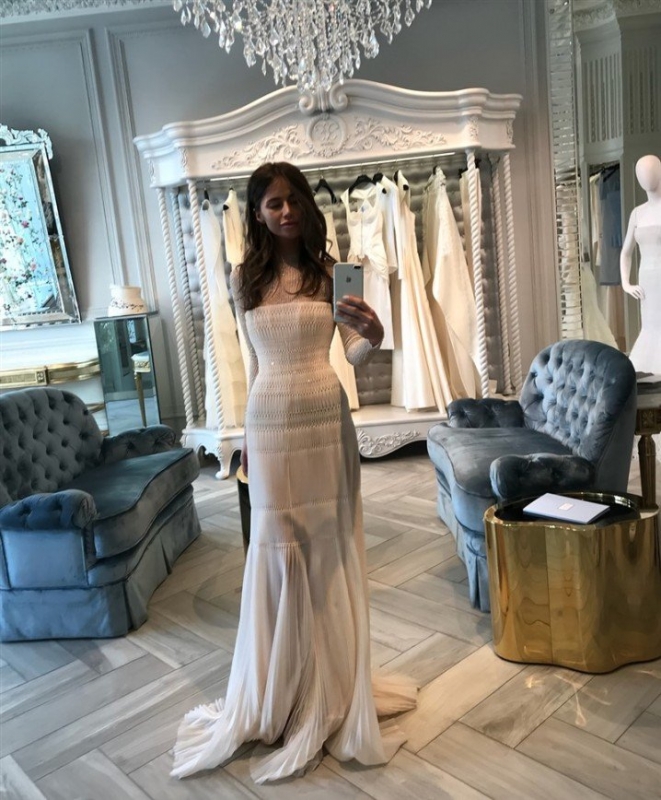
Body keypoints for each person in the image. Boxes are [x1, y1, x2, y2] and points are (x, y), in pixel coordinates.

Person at [171, 162, 417, 784]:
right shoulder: (243, 278)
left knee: (328, 550)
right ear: (257, 212)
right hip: (270, 420)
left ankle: (329, 686)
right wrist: (248, 442)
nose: (286, 211)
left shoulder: (332, 272)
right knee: (278, 550)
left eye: (293, 201)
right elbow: (255, 364)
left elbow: (353, 354)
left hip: (325, 417)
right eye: (273, 203)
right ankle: (282, 690)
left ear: (306, 206)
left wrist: (375, 332)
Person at [620, 154, 661, 373]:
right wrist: (626, 283)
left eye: (651, 171)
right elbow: (626, 252)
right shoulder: (637, 214)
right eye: (642, 173)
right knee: (650, 327)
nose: (647, 177)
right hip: (646, 281)